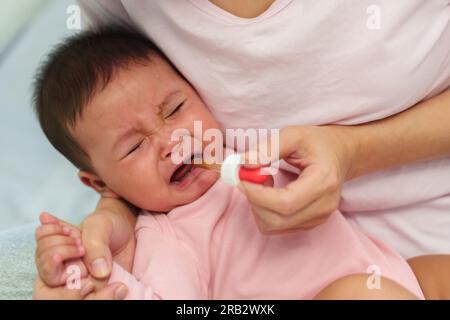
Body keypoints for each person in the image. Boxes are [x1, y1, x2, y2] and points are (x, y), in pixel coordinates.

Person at [33, 27, 430, 299]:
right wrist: (94, 271)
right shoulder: (168, 238)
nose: (171, 142)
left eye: (175, 109)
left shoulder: (254, 149)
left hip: (393, 269)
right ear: (102, 185)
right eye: (134, 147)